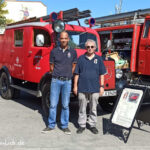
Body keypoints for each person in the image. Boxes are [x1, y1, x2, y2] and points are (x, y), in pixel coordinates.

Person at [42, 31, 77, 135]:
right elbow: (51, 66)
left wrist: (68, 75)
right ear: (59, 40)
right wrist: (57, 74)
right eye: (62, 38)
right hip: (56, 80)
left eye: (66, 38)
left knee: (65, 105)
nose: (64, 40)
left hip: (67, 81)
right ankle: (51, 125)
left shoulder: (73, 52)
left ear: (68, 39)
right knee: (53, 104)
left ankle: (64, 126)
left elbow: (74, 65)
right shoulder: (54, 51)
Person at [73, 39, 106, 134]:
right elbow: (76, 74)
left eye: (92, 47)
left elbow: (102, 74)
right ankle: (82, 125)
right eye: (88, 47)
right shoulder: (81, 59)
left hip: (95, 88)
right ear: (85, 48)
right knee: (82, 108)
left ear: (95, 48)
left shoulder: (99, 59)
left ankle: (92, 125)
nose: (90, 48)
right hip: (82, 88)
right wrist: (75, 87)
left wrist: (102, 86)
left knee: (93, 108)